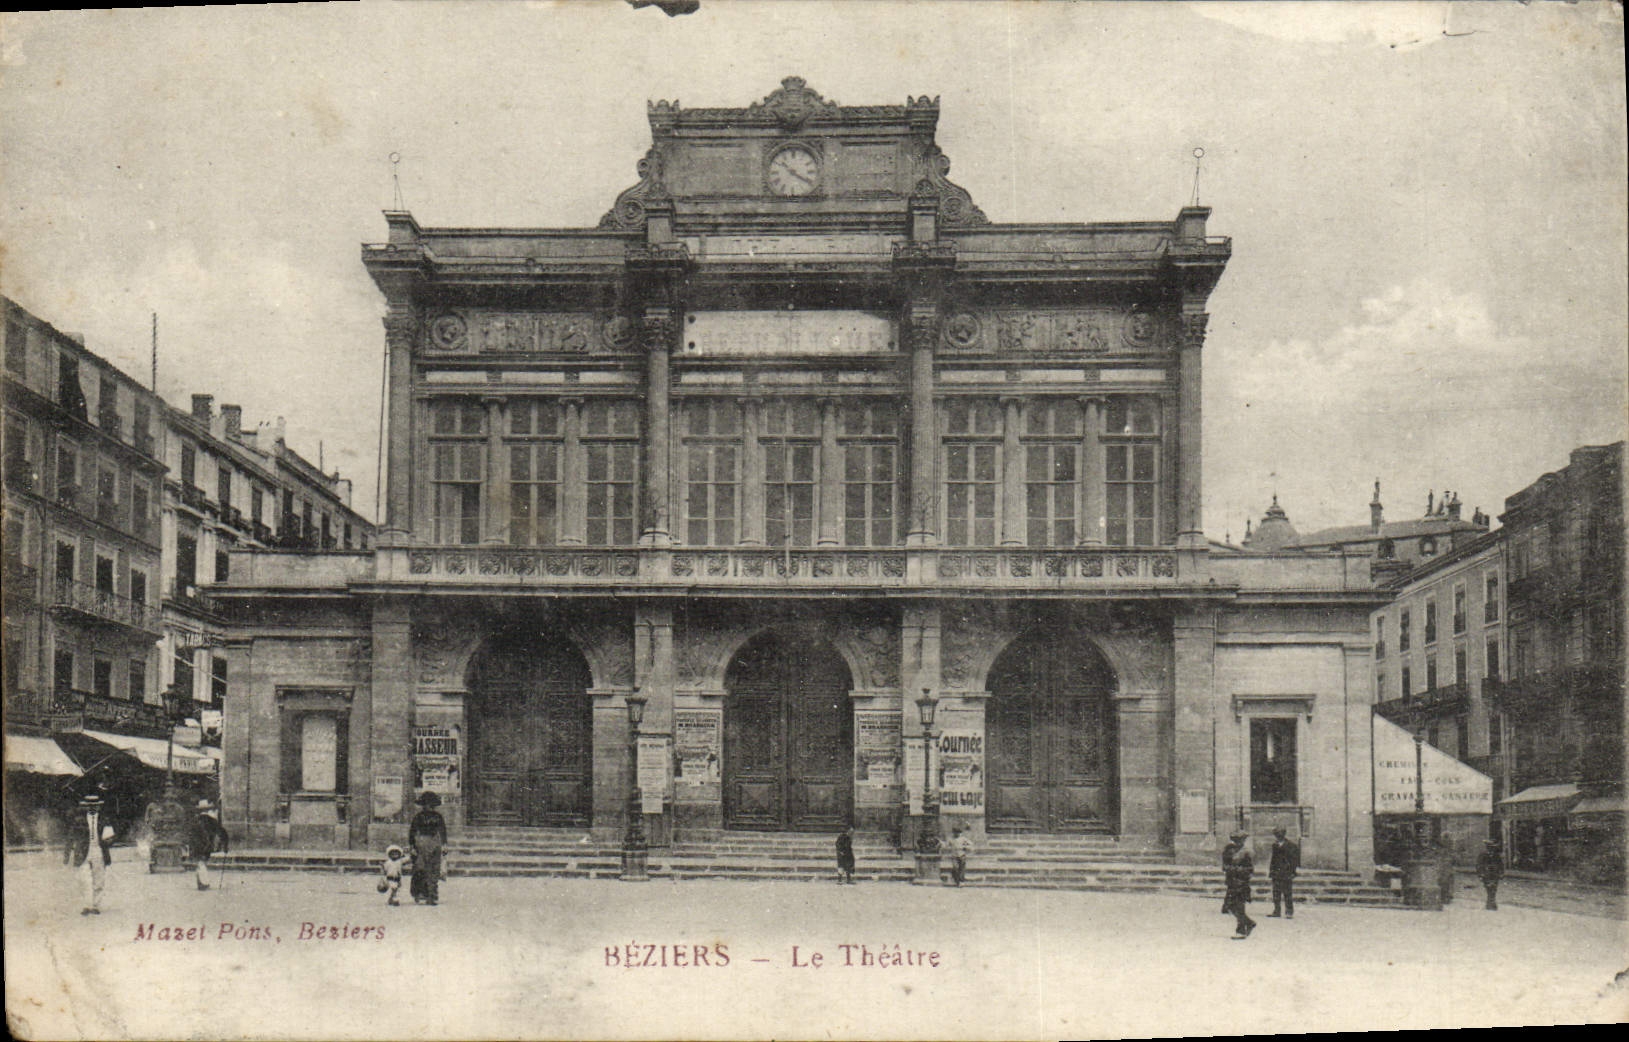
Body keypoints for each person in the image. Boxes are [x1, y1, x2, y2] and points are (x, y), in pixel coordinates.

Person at [67, 793, 115, 915]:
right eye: (89, 806)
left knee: (99, 878)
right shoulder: (78, 820)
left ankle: (95, 905)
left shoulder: (105, 820)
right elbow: (71, 837)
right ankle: (86, 905)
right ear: (86, 807)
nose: (92, 808)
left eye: (95, 806)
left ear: (99, 807)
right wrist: (67, 854)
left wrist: (109, 840)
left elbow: (110, 836)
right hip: (83, 850)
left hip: (98, 849)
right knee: (83, 879)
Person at [409, 791, 447, 905]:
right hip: (421, 843)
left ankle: (432, 895)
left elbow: (443, 831)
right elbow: (412, 832)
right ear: (423, 805)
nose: (429, 807)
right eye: (426, 804)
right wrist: (412, 846)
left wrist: (444, 844)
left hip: (435, 842)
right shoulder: (418, 817)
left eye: (431, 805)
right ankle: (420, 893)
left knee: (434, 870)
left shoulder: (438, 817)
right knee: (420, 869)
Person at [188, 799, 230, 891]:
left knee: (200, 863)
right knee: (203, 862)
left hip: (197, 845)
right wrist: (225, 845)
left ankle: (203, 882)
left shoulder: (195, 821)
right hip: (207, 845)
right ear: (207, 810)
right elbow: (222, 832)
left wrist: (190, 846)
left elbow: (190, 834)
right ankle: (203, 882)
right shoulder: (212, 821)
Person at [1223, 830, 1256, 939]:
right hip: (1231, 882)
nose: (1238, 842)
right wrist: (1229, 868)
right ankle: (1249, 923)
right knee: (1230, 906)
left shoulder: (1247, 853)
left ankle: (1241, 931)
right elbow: (1224, 865)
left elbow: (1250, 869)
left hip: (1242, 883)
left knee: (1240, 907)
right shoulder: (1228, 850)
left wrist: (1237, 870)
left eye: (1240, 840)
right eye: (1235, 840)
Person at [1267, 826, 1300, 919]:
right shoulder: (1275, 845)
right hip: (1276, 873)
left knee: (1287, 893)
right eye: (1276, 834)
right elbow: (1273, 860)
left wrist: (1293, 872)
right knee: (1276, 893)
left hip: (1286, 873)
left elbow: (1294, 860)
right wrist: (1271, 871)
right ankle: (1277, 911)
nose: (1278, 836)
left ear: (1284, 834)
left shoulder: (1291, 845)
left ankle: (1289, 912)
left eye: (1280, 833)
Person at [1476, 839, 1504, 911]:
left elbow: (1501, 865)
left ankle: (1491, 903)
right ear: (1487, 847)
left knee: (1494, 888)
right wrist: (1480, 875)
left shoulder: (1496, 855)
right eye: (1490, 847)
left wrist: (1501, 873)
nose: (1492, 849)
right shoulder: (1482, 855)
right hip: (1486, 874)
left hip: (1495, 874)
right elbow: (1479, 865)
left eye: (1493, 847)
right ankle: (1491, 903)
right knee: (1489, 888)